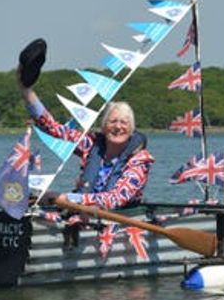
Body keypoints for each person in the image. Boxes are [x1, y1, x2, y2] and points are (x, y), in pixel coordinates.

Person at [19, 81, 153, 210]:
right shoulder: (91, 144)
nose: (118, 127)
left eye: (124, 123)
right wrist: (27, 91)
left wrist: (68, 198)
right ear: (104, 127)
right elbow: (54, 129)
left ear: (131, 129)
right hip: (82, 212)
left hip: (118, 217)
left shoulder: (140, 160)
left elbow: (116, 199)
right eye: (113, 121)